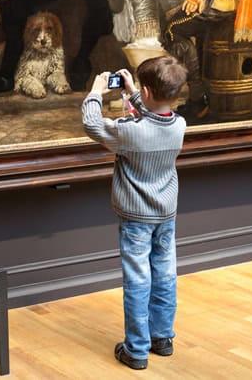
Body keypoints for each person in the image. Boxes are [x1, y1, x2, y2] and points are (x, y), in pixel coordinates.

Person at [81, 56, 187, 370]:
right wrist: (137, 95)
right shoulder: (179, 125)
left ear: (149, 91)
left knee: (138, 280)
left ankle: (136, 350)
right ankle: (162, 338)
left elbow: (92, 124)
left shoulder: (130, 132)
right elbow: (157, 117)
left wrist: (96, 91)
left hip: (136, 218)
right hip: (166, 213)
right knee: (165, 274)